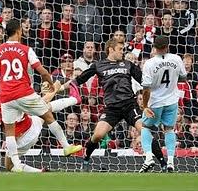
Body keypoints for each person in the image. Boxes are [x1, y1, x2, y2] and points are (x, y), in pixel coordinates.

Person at [0, 19, 82, 172]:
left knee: (9, 131)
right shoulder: (26, 49)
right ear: (18, 31)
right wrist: (51, 84)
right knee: (48, 116)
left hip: (6, 97)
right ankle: (66, 147)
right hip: (24, 93)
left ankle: (17, 165)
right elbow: (42, 71)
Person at [63, 38, 166, 171]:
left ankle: (163, 164)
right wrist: (59, 88)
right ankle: (86, 158)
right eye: (120, 50)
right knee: (98, 135)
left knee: (145, 131)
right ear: (111, 50)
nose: (122, 52)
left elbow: (144, 82)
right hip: (111, 108)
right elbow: (78, 80)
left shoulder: (128, 65)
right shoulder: (98, 65)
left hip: (129, 105)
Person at [0, 80, 81, 172]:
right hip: (31, 127)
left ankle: (73, 98)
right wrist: (56, 88)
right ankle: (74, 99)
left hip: (21, 138)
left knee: (10, 166)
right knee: (45, 108)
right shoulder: (16, 96)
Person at [140, 35, 187, 173]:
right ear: (167, 46)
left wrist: (145, 106)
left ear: (154, 47)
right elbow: (183, 77)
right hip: (172, 100)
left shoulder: (149, 63)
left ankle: (148, 157)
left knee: (145, 127)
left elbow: (146, 88)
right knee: (169, 129)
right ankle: (171, 161)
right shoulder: (176, 59)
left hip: (155, 102)